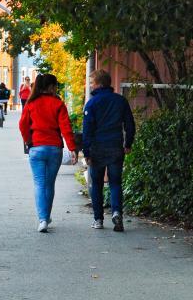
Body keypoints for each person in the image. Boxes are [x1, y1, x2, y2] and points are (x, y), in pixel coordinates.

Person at [19, 73, 78, 233]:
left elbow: (23, 125)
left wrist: (28, 141)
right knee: (49, 184)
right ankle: (46, 216)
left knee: (39, 183)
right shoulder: (58, 104)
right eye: (56, 86)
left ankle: (43, 219)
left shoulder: (31, 103)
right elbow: (66, 128)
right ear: (51, 87)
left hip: (36, 148)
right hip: (54, 149)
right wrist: (72, 148)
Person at [82, 69, 136, 232]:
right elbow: (129, 124)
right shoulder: (120, 101)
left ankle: (98, 219)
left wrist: (86, 152)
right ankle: (117, 212)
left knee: (97, 184)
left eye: (91, 83)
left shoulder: (92, 104)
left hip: (97, 149)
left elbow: (87, 130)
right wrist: (128, 144)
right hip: (115, 147)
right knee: (115, 183)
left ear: (99, 84)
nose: (90, 85)